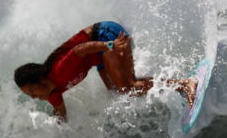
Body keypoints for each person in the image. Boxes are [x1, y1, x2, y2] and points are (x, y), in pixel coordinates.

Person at [14, 21, 196, 121]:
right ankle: (171, 97)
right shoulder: (53, 93)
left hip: (105, 36)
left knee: (127, 87)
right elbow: (61, 115)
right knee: (117, 93)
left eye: (32, 90)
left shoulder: (59, 71)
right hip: (98, 56)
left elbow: (81, 49)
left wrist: (111, 45)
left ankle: (185, 84)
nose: (33, 97)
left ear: (40, 79)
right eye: (29, 94)